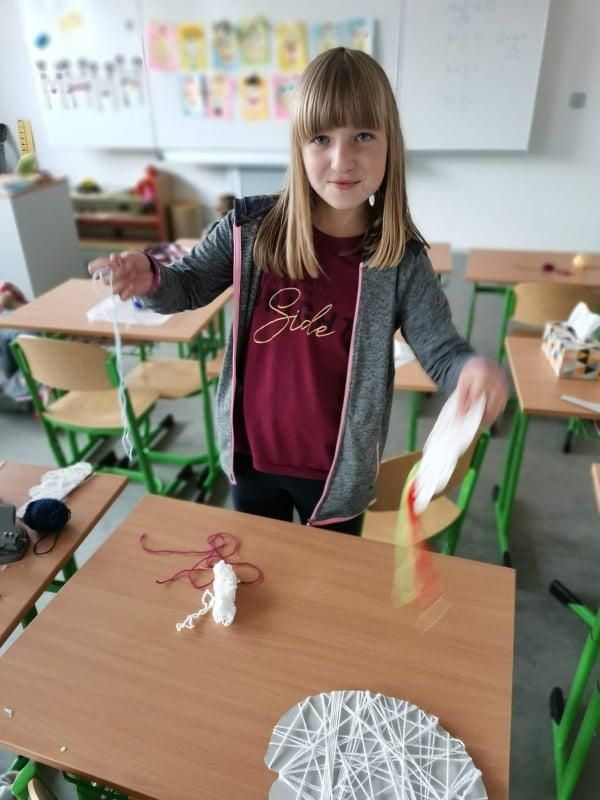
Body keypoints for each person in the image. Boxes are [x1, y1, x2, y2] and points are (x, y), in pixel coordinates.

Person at [89, 48, 507, 535]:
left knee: (326, 580)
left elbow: (442, 351)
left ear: (390, 143)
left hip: (337, 476)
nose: (342, 160)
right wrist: (152, 278)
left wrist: (470, 370)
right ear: (299, 147)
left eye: (363, 136)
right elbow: (187, 285)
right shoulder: (249, 229)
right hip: (252, 460)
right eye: (321, 138)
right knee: (258, 572)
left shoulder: (401, 260)